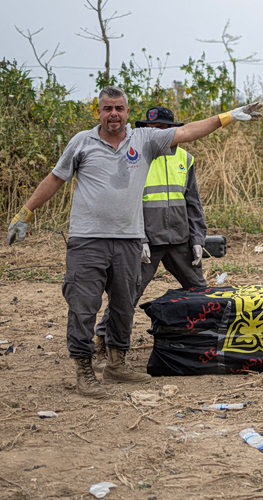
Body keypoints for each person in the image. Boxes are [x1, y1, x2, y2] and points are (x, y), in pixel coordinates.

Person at [7, 86, 262, 398]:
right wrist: (26, 212)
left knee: (123, 305)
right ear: (98, 112)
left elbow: (188, 132)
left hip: (128, 241)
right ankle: (85, 371)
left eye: (119, 108)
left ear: (127, 112)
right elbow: (55, 178)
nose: (113, 114)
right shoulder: (82, 142)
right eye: (107, 108)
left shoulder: (144, 140)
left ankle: (116, 363)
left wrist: (228, 117)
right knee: (84, 305)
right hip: (88, 240)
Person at [92, 106, 209, 368]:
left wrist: (197, 239)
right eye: (152, 129)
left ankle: (205, 341)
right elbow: (126, 203)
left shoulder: (186, 159)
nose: (157, 133)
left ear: (173, 131)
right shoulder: (135, 157)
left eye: (162, 129)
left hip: (180, 240)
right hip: (145, 241)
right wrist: (140, 238)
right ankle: (103, 344)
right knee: (127, 295)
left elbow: (193, 203)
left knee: (200, 293)